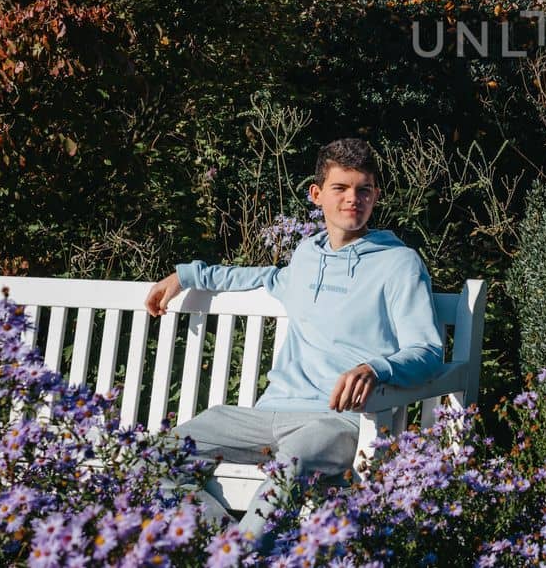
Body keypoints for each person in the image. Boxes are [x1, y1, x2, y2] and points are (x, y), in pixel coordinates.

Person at [144, 137, 444, 541]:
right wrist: (186, 275)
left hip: (338, 420)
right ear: (317, 194)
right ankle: (226, 549)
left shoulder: (399, 263)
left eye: (364, 189)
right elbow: (261, 277)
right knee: (153, 459)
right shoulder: (307, 255)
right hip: (270, 413)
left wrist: (376, 368)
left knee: (290, 466)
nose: (353, 198)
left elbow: (427, 351)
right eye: (341, 188)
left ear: (375, 195)